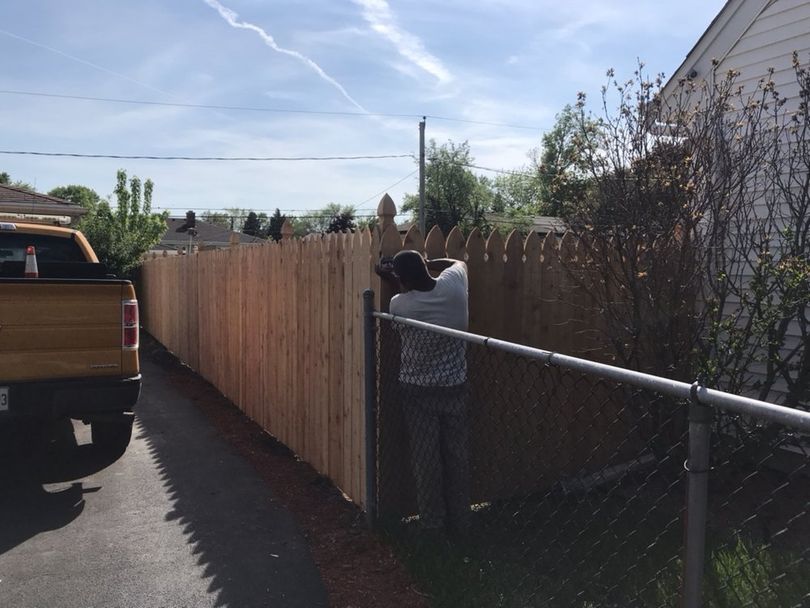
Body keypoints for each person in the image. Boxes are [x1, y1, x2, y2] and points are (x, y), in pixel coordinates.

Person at [379, 250, 471, 536]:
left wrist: (391, 277)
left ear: (402, 279)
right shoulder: (454, 286)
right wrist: (430, 263)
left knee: (426, 459)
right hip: (455, 384)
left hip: (417, 389)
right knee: (457, 456)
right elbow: (460, 263)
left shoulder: (399, 304)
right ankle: (462, 520)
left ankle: (433, 524)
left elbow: (406, 299)